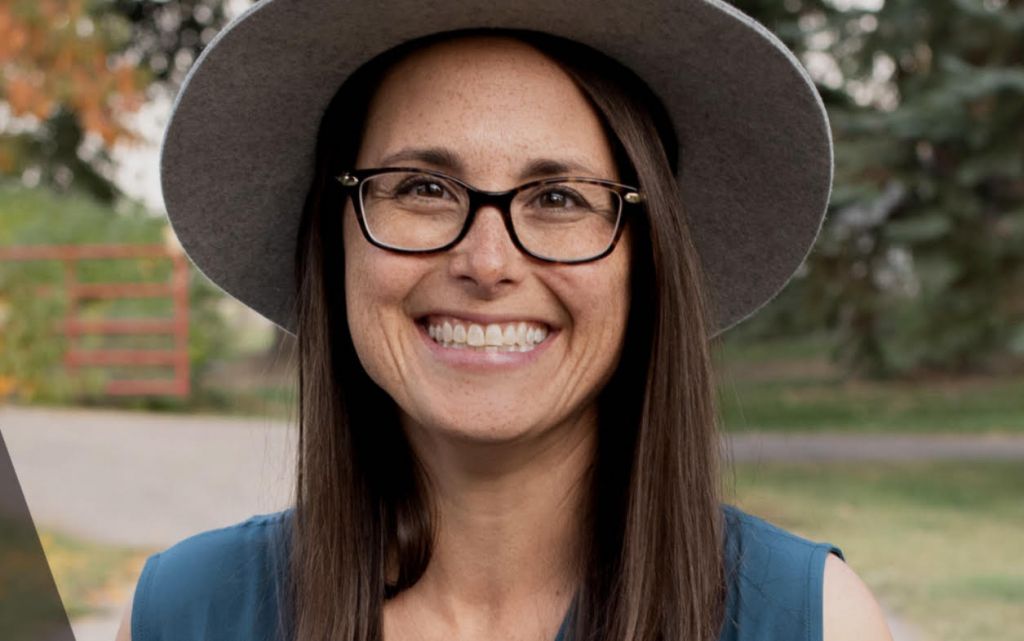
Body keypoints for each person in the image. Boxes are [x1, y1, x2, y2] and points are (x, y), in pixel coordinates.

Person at [116, 1, 894, 640]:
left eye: (559, 199)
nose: (487, 263)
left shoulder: (813, 620)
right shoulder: (182, 614)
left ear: (646, 263)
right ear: (336, 240)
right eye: (422, 187)